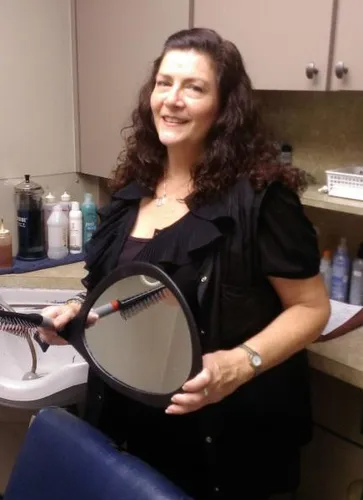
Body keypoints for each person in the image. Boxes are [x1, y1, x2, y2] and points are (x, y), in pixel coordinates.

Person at [39, 28, 330, 499]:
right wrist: (78, 309)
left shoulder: (259, 200)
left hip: (220, 441)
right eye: (163, 83)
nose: (171, 100)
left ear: (223, 107)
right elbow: (112, 286)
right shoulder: (134, 186)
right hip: (128, 422)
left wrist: (239, 363)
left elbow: (312, 308)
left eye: (193, 87)